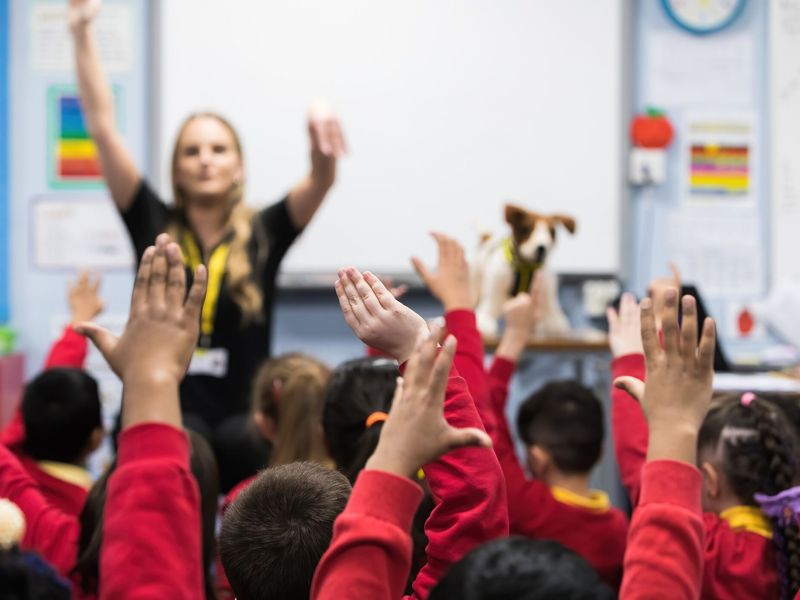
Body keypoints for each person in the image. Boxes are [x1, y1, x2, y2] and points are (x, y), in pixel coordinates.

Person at [68, 0, 347, 490]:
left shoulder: (264, 230)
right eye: (191, 151)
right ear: (176, 168)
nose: (205, 160)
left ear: (239, 166)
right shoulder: (151, 218)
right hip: (171, 407)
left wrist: (320, 133)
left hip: (248, 419)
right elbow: (102, 129)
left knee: (252, 450)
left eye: (218, 149)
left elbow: (322, 180)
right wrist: (81, 34)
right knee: (186, 447)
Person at [611, 291, 800, 599]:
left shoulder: (704, 546)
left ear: (710, 481)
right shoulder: (789, 544)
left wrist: (632, 361)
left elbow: (648, 481)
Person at [481, 275, 627, 589]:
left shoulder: (530, 509)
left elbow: (486, 419)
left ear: (536, 458)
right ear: (600, 452)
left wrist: (513, 340)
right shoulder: (619, 529)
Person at [0, 272, 104, 517]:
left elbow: (57, 374)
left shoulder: (7, 469)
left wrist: (78, 321)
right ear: (96, 439)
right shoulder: (90, 517)